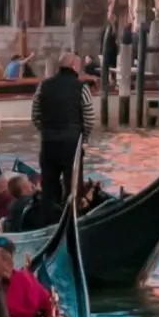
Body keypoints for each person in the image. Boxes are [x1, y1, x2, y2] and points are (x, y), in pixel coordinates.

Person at [31, 52, 95, 213]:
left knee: (49, 186)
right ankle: (72, 216)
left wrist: (45, 131)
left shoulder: (43, 86)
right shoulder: (82, 87)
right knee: (72, 186)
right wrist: (84, 137)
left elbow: (35, 115)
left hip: (48, 143)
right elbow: (89, 117)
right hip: (72, 144)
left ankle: (48, 219)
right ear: (74, 66)